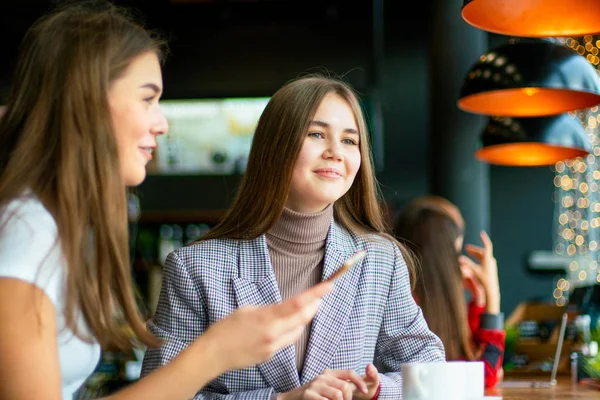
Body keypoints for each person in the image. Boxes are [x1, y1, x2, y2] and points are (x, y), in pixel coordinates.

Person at [0, 2, 333, 400]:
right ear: (86, 101)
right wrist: (215, 352)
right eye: (147, 99)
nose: (162, 123)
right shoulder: (25, 231)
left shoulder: (50, 227)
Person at [141, 75, 446, 399]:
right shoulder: (195, 267)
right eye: (317, 134)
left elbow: (428, 368)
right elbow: (160, 392)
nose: (335, 152)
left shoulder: (380, 259)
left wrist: (375, 391)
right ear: (276, 147)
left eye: (349, 140)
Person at [394, 196, 505, 388]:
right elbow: (485, 374)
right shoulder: (408, 305)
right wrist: (492, 295)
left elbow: (470, 358)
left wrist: (479, 301)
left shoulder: (414, 298)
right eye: (455, 252)